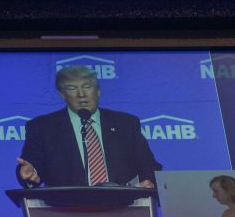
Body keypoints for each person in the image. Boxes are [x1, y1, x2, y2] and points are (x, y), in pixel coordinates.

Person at [16, 65, 160, 188]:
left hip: (123, 206)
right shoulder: (42, 127)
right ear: (62, 94)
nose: (81, 95)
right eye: (72, 88)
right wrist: (30, 174)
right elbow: (30, 166)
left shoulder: (126, 123)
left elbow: (148, 164)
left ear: (98, 91)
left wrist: (148, 182)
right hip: (65, 209)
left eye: (87, 87)